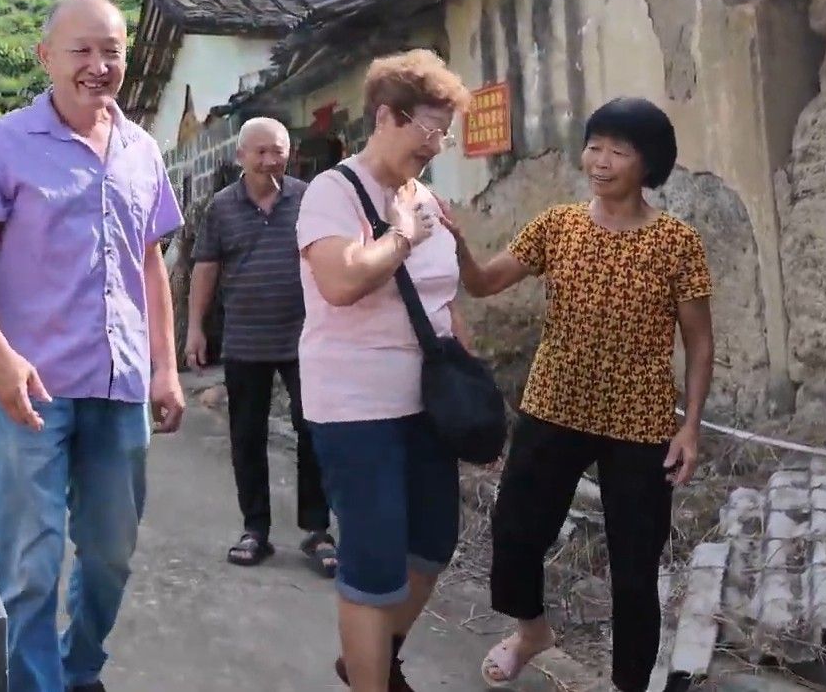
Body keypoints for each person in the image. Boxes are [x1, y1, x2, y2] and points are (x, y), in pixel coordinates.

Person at [0, 0, 186, 692]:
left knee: (111, 552)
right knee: (32, 560)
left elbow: (151, 264)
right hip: (33, 386)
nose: (98, 65)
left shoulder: (141, 149)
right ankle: (36, 682)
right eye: (80, 50)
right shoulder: (4, 142)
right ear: (45, 57)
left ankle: (81, 666)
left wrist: (165, 368)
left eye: (110, 50)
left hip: (120, 385)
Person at [444, 97, 714, 692]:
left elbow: (698, 342)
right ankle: (531, 630)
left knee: (635, 569)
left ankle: (627, 684)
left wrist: (689, 426)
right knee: (515, 530)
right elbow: (485, 281)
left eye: (620, 150)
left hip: (641, 421)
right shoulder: (557, 225)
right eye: (595, 145)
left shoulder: (677, 242)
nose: (601, 160)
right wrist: (459, 244)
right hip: (554, 405)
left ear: (650, 164)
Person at [296, 49, 477, 692]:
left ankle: (371, 656)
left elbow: (442, 293)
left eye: (445, 130)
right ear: (386, 116)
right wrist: (399, 236)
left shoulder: (421, 195)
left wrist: (466, 367)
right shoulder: (333, 191)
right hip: (354, 407)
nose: (438, 143)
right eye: (429, 126)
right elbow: (341, 281)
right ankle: (372, 676)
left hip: (425, 402)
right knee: (374, 562)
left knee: (433, 543)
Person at [186, 116, 335, 576]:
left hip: (304, 337)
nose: (271, 160)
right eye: (261, 151)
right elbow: (206, 268)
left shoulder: (310, 199)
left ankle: (317, 531)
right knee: (246, 435)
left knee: (313, 429)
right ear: (240, 157)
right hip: (246, 340)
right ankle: (256, 531)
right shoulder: (221, 207)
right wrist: (194, 327)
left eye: (278, 150)